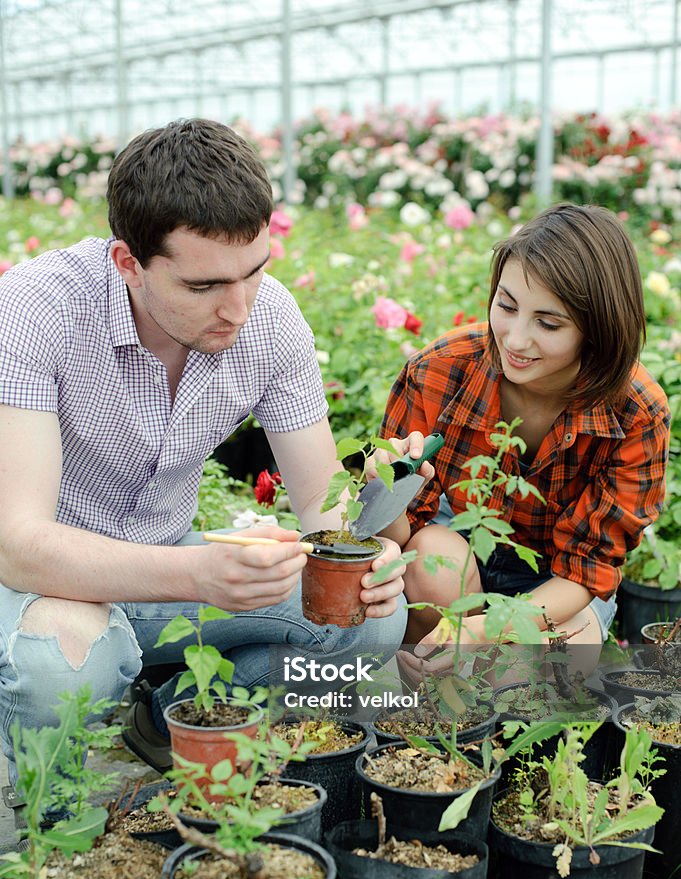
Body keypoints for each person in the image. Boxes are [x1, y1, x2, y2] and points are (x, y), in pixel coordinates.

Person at [0, 118, 407, 783]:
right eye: (203, 286)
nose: (238, 308)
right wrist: (199, 577)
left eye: (252, 273)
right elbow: (18, 545)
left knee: (366, 622)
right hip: (47, 585)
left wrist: (367, 557)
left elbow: (320, 506)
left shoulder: (268, 319)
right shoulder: (34, 308)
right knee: (65, 659)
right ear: (128, 263)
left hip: (167, 570)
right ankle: (47, 819)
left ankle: (169, 717)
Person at [373, 203, 670, 684]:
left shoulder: (635, 411)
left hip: (558, 582)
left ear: (596, 330)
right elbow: (399, 540)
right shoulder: (442, 369)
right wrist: (384, 487)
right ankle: (433, 692)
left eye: (548, 324)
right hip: (462, 552)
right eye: (506, 305)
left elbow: (585, 571)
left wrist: (485, 630)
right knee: (427, 563)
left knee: (553, 664)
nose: (515, 338)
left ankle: (473, 696)